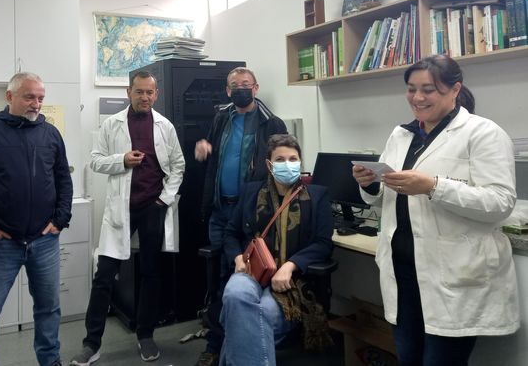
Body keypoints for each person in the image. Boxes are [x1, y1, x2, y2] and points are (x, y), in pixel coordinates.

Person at [352, 55, 518, 366]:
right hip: (403, 272)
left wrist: (433, 186)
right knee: (408, 357)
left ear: (455, 89)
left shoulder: (483, 133)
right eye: (411, 89)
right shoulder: (401, 135)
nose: (417, 97)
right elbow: (386, 196)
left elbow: (500, 202)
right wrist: (370, 184)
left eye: (428, 89)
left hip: (453, 274)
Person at [70, 71, 185, 365]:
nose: (144, 97)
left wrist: (164, 199)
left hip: (153, 208)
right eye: (139, 91)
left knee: (150, 273)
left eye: (149, 92)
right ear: (128, 92)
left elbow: (178, 166)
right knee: (104, 275)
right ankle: (91, 343)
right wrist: (121, 160)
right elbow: (95, 161)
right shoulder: (112, 124)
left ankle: (145, 335)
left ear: (156, 94)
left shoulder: (165, 126)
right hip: (121, 209)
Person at [0, 72, 73, 366]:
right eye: (29, 97)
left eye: (40, 98)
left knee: (49, 310)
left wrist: (60, 219)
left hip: (44, 241)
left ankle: (50, 361)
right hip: (2, 243)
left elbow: (63, 180)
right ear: (9, 96)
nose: (36, 103)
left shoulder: (51, 134)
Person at [194, 67, 287, 366]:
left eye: (245, 84)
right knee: (218, 276)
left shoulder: (272, 123)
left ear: (256, 88)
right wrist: (204, 149)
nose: (240, 89)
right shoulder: (222, 118)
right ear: (227, 90)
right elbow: (210, 154)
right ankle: (216, 343)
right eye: (234, 85)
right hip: (220, 210)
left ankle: (233, 345)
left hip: (250, 213)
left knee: (244, 276)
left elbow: (281, 166)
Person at [219, 134, 334, 365]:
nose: (287, 164)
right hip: (251, 271)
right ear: (269, 165)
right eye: (280, 159)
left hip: (291, 284)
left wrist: (291, 266)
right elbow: (230, 233)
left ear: (300, 162)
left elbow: (323, 243)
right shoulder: (251, 192)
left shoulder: (317, 196)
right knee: (234, 294)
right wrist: (238, 257)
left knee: (247, 315)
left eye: (293, 159)